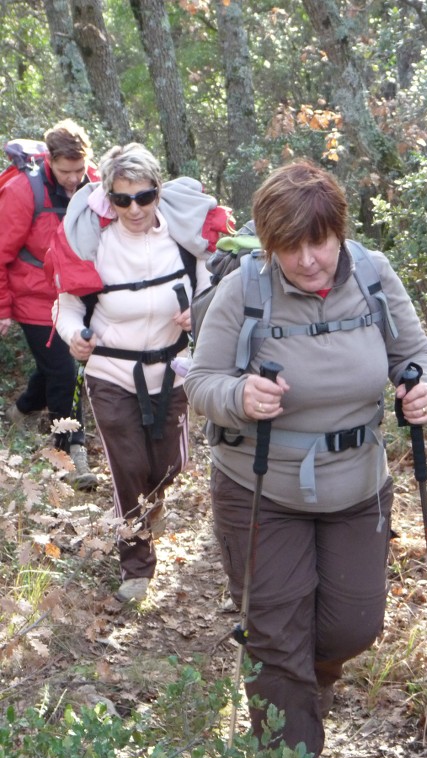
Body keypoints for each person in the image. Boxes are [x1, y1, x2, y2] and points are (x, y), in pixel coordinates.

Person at [184, 160, 427, 758]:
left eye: (317, 242)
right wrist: (240, 397)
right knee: (275, 638)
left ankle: (305, 683)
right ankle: (288, 747)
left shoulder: (374, 274)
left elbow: (416, 351)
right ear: (269, 246)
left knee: (353, 628)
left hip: (357, 486)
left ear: (339, 232)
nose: (305, 260)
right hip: (261, 488)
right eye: (288, 247)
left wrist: (422, 385)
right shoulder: (242, 289)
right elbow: (201, 384)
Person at [46, 142, 234, 603]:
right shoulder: (95, 244)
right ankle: (136, 564)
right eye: (122, 198)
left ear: (158, 193)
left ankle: (152, 503)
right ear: (108, 198)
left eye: (144, 196)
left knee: (172, 464)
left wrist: (199, 312)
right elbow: (65, 305)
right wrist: (74, 335)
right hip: (111, 371)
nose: (134, 208)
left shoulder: (184, 241)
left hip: (173, 371)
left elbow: (215, 291)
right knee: (127, 468)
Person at [0, 119, 98, 489]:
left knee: (55, 366)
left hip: (77, 296)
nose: (74, 178)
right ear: (49, 162)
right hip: (34, 298)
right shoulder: (25, 192)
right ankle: (71, 452)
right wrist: (3, 308)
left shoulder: (95, 185)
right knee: (64, 371)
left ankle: (22, 409)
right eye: (65, 171)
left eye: (79, 169)